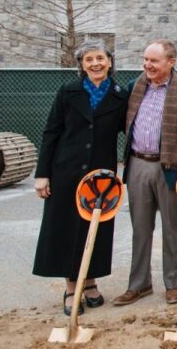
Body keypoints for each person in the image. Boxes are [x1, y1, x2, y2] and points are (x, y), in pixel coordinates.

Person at [33, 40, 128, 316]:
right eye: (89, 60)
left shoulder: (120, 95)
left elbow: (131, 131)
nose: (95, 64)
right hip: (66, 171)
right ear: (82, 65)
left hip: (101, 175)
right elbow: (51, 132)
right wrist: (43, 174)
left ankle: (91, 283)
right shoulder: (68, 92)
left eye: (100, 58)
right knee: (66, 228)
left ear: (109, 62)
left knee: (95, 228)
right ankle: (71, 286)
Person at [113, 39, 177, 307]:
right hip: (137, 164)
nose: (147, 65)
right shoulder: (133, 88)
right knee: (140, 227)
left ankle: (172, 284)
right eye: (145, 59)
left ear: (171, 62)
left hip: (170, 167)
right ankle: (139, 284)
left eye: (154, 61)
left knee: (172, 228)